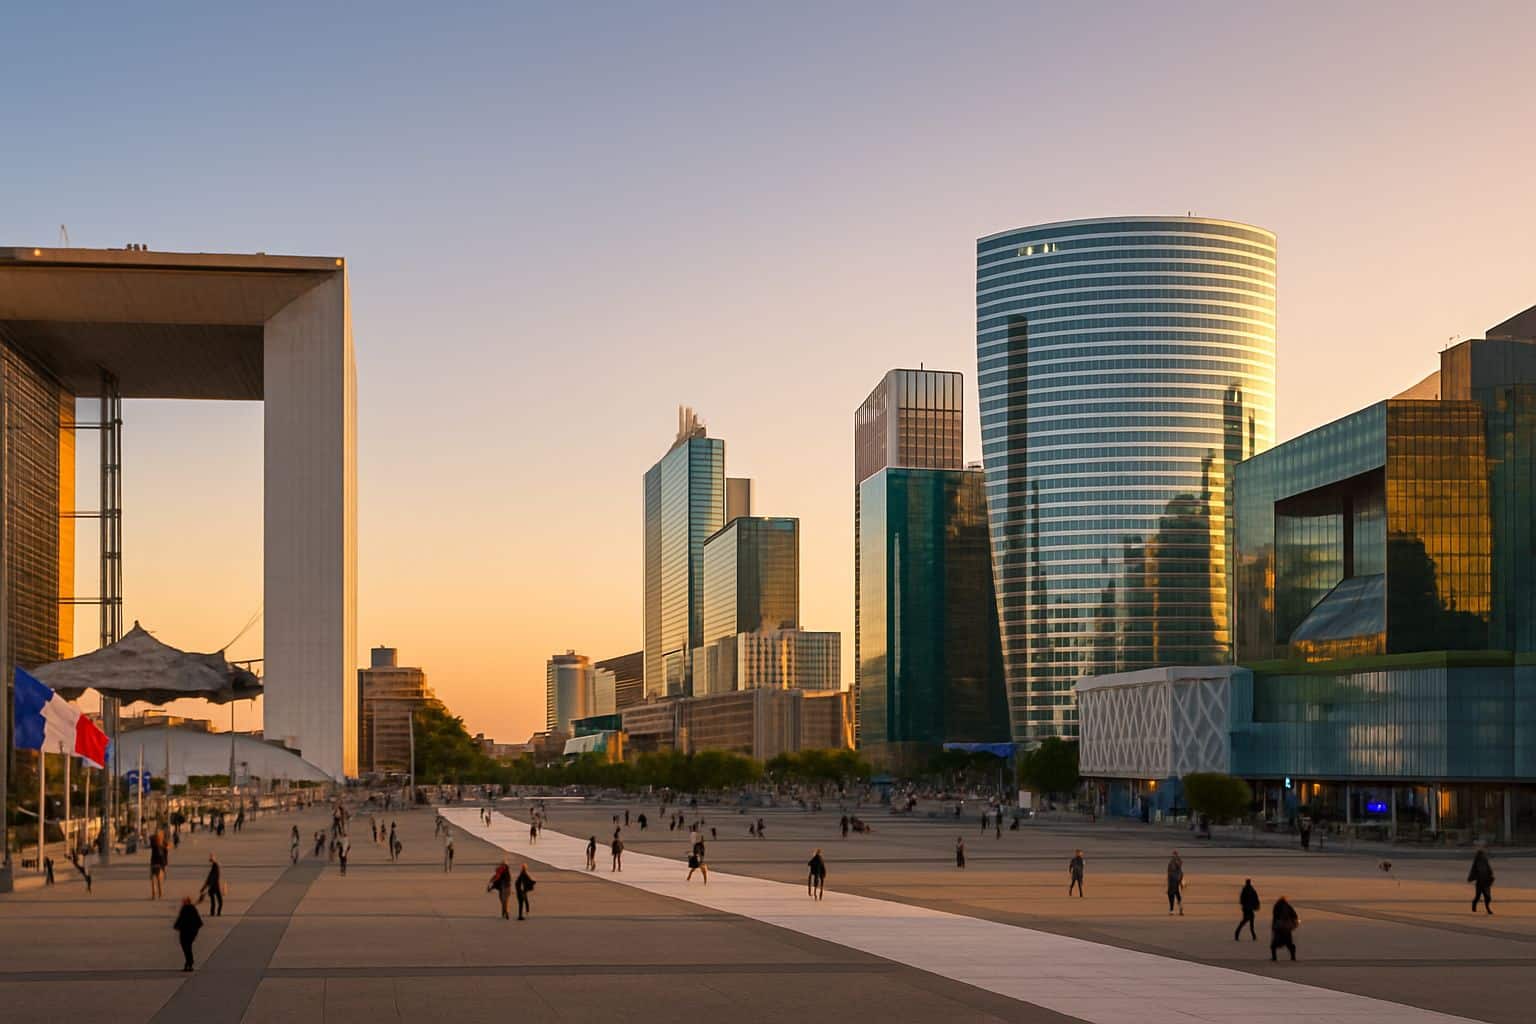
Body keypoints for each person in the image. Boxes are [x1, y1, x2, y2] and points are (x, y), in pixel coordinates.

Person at [173, 897, 203, 971]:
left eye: (183, 901)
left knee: (186, 948)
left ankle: (189, 963)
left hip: (185, 932)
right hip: (192, 932)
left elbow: (180, 919)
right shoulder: (193, 909)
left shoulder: (184, 909)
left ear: (186, 902)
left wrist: (177, 926)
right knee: (188, 948)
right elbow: (199, 922)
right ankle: (189, 963)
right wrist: (195, 931)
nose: (182, 903)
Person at [1270, 896, 1299, 961]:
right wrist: (1292, 924)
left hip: (1279, 927)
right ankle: (1293, 957)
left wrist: (1274, 927)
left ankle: (1274, 958)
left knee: (1274, 945)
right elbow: (1295, 915)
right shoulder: (1288, 906)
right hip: (1287, 928)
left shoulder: (1277, 907)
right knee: (1289, 943)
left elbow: (1275, 918)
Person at [1469, 848, 1494, 914]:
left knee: (1488, 897)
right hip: (1479, 882)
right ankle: (1474, 904)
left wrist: (1491, 875)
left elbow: (1489, 869)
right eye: (1481, 854)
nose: (1482, 856)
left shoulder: (1485, 861)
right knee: (1478, 896)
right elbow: (1473, 870)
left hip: (1486, 882)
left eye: (1482, 854)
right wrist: (1471, 878)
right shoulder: (1476, 862)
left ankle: (1488, 909)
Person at [150, 830, 168, 900]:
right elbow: (165, 855)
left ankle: (154, 895)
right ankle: (160, 894)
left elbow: (151, 838)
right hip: (160, 864)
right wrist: (165, 864)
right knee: (158, 880)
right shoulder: (163, 844)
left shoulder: (154, 844)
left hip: (153, 863)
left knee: (153, 880)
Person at [1166, 851, 1184, 915]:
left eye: (1174, 854)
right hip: (1175, 881)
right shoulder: (1177, 863)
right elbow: (1181, 873)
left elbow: (1170, 873)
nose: (1173, 856)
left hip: (1173, 881)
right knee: (1177, 894)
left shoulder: (1173, 862)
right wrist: (1181, 882)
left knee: (1171, 894)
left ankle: (1172, 910)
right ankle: (1180, 907)